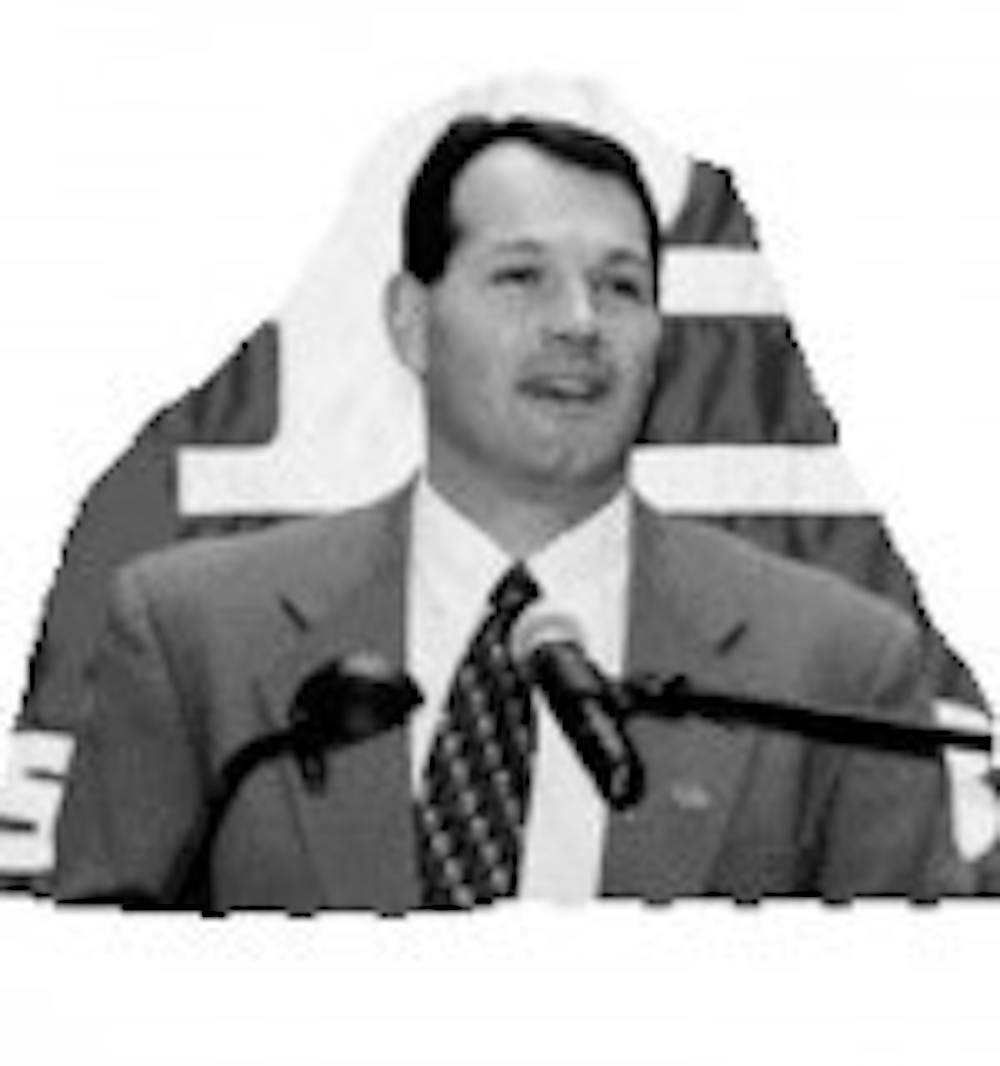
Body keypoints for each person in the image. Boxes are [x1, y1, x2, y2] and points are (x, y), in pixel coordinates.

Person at [53, 115, 967, 910]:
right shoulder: (195, 637)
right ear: (411, 322)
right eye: (522, 276)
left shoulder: (836, 669)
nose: (580, 322)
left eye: (621, 286)